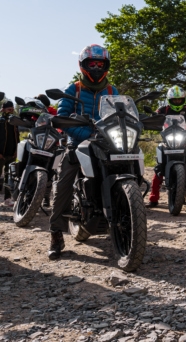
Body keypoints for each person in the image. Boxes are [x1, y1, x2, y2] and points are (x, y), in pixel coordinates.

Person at [48, 44, 118, 259]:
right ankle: (56, 233)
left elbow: (120, 113)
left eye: (100, 64)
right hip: (78, 143)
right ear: (84, 65)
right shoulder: (74, 89)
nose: (96, 68)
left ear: (105, 66)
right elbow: (63, 116)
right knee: (64, 182)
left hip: (105, 142)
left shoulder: (111, 90)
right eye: (92, 64)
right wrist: (84, 133)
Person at [146, 86, 186, 208]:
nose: (177, 102)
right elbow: (155, 116)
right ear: (169, 100)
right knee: (159, 168)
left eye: (179, 99)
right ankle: (153, 198)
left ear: (183, 99)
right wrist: (152, 118)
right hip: (167, 140)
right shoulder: (163, 109)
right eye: (174, 100)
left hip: (184, 139)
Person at [0, 101, 19, 207]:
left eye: (12, 109)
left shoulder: (14, 122)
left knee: (9, 178)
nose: (11, 111)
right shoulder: (0, 121)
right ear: (3, 110)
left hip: (11, 155)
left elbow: (17, 137)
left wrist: (17, 150)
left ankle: (7, 199)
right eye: (9, 109)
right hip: (0, 155)